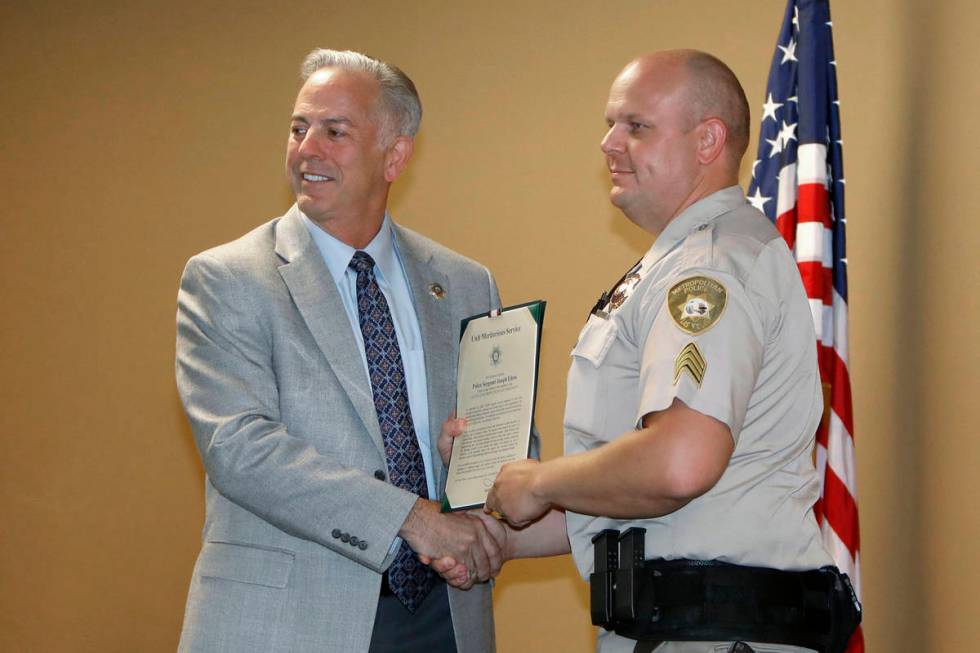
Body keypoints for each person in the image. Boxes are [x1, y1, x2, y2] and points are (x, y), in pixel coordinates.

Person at [435, 50, 857, 653]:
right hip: (678, 625)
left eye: (636, 126)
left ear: (709, 139)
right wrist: (503, 538)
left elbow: (681, 462)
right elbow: (638, 492)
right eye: (610, 124)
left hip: (715, 628)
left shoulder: (711, 268)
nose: (609, 143)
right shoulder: (673, 264)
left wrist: (542, 479)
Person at [175, 48, 509, 653]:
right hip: (287, 623)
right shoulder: (228, 278)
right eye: (299, 128)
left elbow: (505, 439)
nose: (307, 149)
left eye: (335, 132)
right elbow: (241, 448)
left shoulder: (465, 284)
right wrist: (413, 518)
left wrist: (477, 497)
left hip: (446, 619)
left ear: (396, 154)